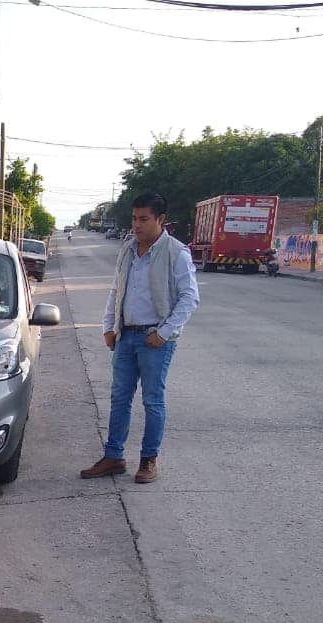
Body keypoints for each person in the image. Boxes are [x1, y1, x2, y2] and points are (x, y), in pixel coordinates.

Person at [80, 192, 199, 485]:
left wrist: (164, 333)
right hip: (126, 336)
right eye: (134, 218)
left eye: (144, 219)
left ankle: (148, 461)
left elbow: (189, 298)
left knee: (152, 401)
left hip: (154, 339)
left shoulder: (176, 252)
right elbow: (116, 289)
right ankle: (113, 456)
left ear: (160, 220)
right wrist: (110, 326)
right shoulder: (128, 249)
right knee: (119, 398)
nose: (137, 225)